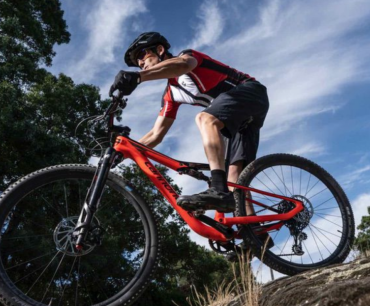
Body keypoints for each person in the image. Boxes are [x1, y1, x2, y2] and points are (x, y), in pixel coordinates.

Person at [109, 32, 269, 214]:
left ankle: (217, 189)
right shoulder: (171, 94)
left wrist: (139, 77)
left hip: (251, 92)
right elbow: (156, 134)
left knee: (205, 119)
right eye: (137, 62)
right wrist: (123, 153)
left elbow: (182, 65)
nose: (140, 63)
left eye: (141, 55)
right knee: (235, 181)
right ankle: (254, 236)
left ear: (160, 50)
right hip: (241, 121)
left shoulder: (188, 57)